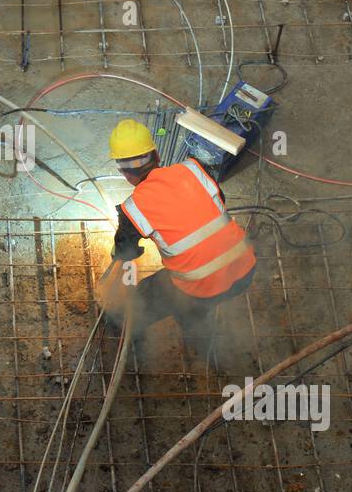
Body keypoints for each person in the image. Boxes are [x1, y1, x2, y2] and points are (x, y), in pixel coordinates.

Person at [106, 118, 256, 340]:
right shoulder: (194, 169)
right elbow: (219, 201)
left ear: (125, 173)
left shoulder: (134, 207)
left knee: (145, 298)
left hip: (202, 288)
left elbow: (126, 252)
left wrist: (120, 254)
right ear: (157, 156)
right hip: (246, 268)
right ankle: (196, 317)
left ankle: (123, 327)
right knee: (193, 297)